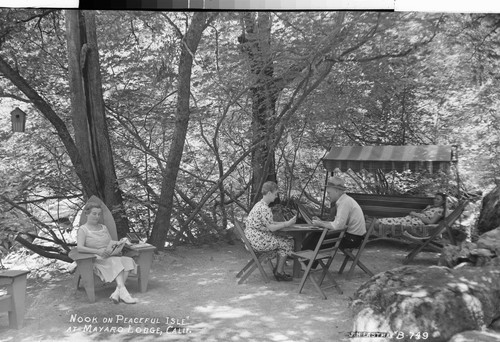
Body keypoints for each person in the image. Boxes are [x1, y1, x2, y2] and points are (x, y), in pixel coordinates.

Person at [77, 202, 138, 304]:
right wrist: (97, 251)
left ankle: (117, 293)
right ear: (87, 214)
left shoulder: (103, 227)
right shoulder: (83, 229)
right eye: (94, 213)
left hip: (109, 255)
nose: (97, 216)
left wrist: (117, 247)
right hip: (95, 258)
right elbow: (79, 248)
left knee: (128, 261)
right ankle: (123, 292)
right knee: (118, 262)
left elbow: (110, 243)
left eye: (99, 214)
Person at [245, 181, 297, 281]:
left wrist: (286, 222)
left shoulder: (259, 205)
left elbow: (270, 223)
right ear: (269, 193)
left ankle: (279, 270)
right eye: (275, 194)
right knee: (287, 242)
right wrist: (287, 224)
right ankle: (279, 272)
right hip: (258, 242)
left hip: (253, 239)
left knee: (284, 240)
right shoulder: (264, 208)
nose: (276, 196)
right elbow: (272, 228)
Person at [302, 177, 366, 254]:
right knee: (316, 235)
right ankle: (306, 258)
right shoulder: (344, 200)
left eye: (329, 193)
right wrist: (321, 222)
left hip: (352, 239)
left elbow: (338, 226)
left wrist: (320, 224)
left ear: (336, 190)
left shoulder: (344, 203)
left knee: (316, 239)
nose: (328, 196)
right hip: (352, 236)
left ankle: (304, 259)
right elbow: (337, 223)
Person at [376, 192, 447, 228]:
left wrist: (416, 214)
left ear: (443, 201)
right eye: (435, 198)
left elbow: (431, 222)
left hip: (416, 223)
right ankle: (375, 222)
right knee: (395, 220)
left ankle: (375, 223)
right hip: (411, 219)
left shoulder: (439, 210)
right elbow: (423, 214)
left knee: (394, 222)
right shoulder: (430, 207)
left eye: (438, 199)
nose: (435, 200)